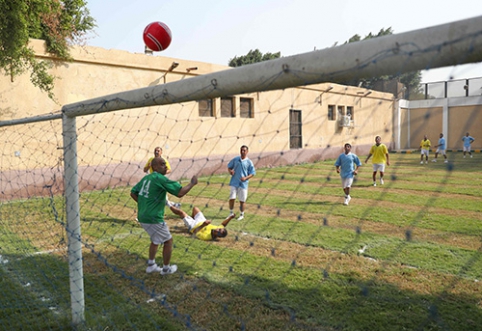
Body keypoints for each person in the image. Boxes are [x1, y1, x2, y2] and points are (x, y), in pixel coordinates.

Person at [130, 157, 198, 275]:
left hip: (143, 216)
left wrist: (144, 205)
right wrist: (192, 183)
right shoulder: (160, 179)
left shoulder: (147, 178)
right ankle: (166, 269)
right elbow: (180, 192)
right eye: (162, 164)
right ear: (154, 167)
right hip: (154, 218)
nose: (166, 166)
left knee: (155, 240)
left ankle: (151, 265)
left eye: (166, 164)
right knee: (168, 241)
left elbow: (133, 192)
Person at [169, 205, 235, 241]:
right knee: (195, 208)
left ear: (218, 236)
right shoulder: (219, 229)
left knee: (181, 212)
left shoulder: (206, 237)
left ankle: (168, 204)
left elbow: (195, 232)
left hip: (193, 226)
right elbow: (223, 225)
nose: (218, 229)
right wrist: (230, 218)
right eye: (219, 229)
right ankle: (192, 218)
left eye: (218, 231)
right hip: (202, 220)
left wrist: (203, 225)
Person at [227, 145, 256, 221]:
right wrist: (231, 171)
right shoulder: (236, 159)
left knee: (242, 200)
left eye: (244, 150)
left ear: (247, 151)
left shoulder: (249, 162)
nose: (242, 152)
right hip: (234, 182)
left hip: (243, 184)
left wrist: (245, 178)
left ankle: (241, 214)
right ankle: (231, 213)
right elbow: (229, 167)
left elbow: (252, 173)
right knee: (232, 198)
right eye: (241, 150)